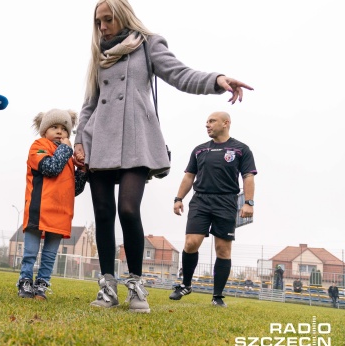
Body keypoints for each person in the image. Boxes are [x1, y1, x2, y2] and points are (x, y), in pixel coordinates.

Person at [73, 0, 253, 313]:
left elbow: (180, 74)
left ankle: (136, 287)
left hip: (135, 141)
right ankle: (107, 288)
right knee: (103, 213)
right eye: (98, 22)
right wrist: (79, 141)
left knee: (128, 209)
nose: (102, 28)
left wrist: (216, 80)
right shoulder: (98, 56)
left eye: (108, 20)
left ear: (124, 17)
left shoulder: (148, 45)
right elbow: (90, 103)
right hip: (99, 140)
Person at [168, 111, 257, 308]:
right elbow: (189, 176)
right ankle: (186, 285)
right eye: (206, 121)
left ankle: (217, 296)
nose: (207, 125)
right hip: (200, 200)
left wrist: (249, 203)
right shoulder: (199, 150)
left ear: (226, 123)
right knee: (191, 243)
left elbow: (248, 177)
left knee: (223, 249)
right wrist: (178, 198)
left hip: (226, 202)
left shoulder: (241, 149)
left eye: (212, 121)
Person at [17, 109, 88, 300]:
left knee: (49, 255)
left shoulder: (67, 158)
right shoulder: (38, 146)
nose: (59, 131)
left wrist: (81, 170)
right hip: (38, 209)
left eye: (64, 129)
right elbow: (50, 168)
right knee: (30, 253)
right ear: (43, 131)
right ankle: (25, 282)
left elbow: (74, 189)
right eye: (54, 127)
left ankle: (42, 285)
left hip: (61, 212)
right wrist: (66, 150)